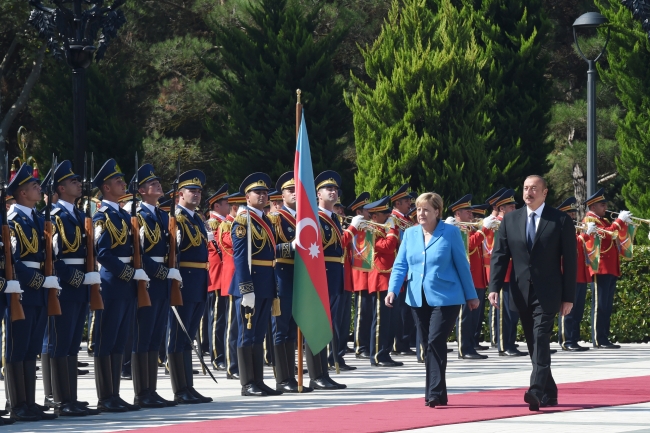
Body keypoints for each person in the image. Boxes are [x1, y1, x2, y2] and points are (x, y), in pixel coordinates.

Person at [489, 175, 577, 411]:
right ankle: (550, 390)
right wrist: (494, 287)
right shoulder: (510, 219)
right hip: (520, 291)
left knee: (539, 337)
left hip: (549, 293)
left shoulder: (559, 220)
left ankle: (536, 391)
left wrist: (569, 297)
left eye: (534, 189)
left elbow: (570, 260)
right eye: (526, 188)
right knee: (532, 343)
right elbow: (500, 255)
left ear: (544, 192)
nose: (528, 192)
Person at [386, 192, 478, 408]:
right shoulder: (409, 235)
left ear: (437, 211)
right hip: (417, 296)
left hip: (447, 297)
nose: (421, 214)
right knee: (428, 344)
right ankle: (438, 391)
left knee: (435, 341)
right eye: (418, 209)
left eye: (426, 209)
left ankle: (434, 392)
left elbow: (462, 265)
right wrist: (393, 290)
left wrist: (471, 295)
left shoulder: (451, 233)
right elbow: (400, 265)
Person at [92, 159, 150, 412]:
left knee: (120, 340)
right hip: (113, 282)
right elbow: (102, 252)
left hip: (126, 282)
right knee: (107, 339)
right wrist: (128, 273)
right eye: (117, 181)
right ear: (106, 187)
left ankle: (114, 393)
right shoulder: (102, 215)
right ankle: (105, 396)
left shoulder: (124, 215)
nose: (123, 184)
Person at [44, 161, 101, 416]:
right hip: (66, 284)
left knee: (72, 344)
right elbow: (52, 257)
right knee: (60, 341)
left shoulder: (79, 215)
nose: (79, 185)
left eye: (79, 181)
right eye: (74, 182)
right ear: (61, 188)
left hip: (81, 283)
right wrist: (77, 278)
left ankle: (71, 397)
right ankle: (59, 398)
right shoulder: (55, 216)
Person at [5, 163, 58, 422]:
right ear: (22, 193)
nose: (40, 189)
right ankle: (17, 403)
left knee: (31, 347)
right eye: (35, 187)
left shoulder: (38, 219)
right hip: (23, 288)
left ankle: (30, 401)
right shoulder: (13, 220)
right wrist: (39, 280)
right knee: (17, 347)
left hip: (38, 288)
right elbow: (13, 259)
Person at [131, 164, 182, 408]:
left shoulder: (163, 216)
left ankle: (151, 389)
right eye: (152, 184)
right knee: (143, 337)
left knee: (155, 338)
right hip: (149, 281)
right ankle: (141, 391)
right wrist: (162, 271)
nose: (158, 185)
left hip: (163, 283)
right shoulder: (137, 216)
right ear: (141, 191)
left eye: (158, 182)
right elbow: (137, 252)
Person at [167, 169, 212, 404]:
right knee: (177, 337)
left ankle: (188, 386)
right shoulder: (176, 218)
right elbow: (173, 253)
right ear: (179, 195)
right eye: (191, 191)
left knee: (188, 338)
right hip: (183, 282)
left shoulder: (196, 219)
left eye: (198, 191)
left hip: (198, 282)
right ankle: (179, 388)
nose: (196, 195)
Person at [269, 171, 313, 392]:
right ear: (281, 195)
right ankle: (282, 378)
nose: (296, 193)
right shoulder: (275, 218)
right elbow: (268, 250)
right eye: (290, 190)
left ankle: (292, 377)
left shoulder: (305, 219)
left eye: (298, 190)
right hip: (282, 277)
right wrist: (290, 246)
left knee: (294, 328)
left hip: (300, 278)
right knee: (281, 328)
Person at [582, 188, 632, 349]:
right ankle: (598, 339)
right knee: (600, 305)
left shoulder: (603, 220)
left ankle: (604, 337)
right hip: (600, 267)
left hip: (610, 267)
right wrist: (619, 222)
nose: (605, 208)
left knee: (607, 305)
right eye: (602, 205)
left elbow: (614, 234)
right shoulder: (590, 220)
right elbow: (606, 235)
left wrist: (624, 225)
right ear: (593, 206)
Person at [445, 194, 491, 360]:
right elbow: (469, 246)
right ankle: (464, 349)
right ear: (458, 213)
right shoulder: (457, 228)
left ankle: (471, 345)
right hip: (467, 278)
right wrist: (483, 230)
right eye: (467, 211)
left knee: (474, 316)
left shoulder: (469, 227)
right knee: (465, 315)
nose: (471, 215)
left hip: (476, 277)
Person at [489, 189, 526, 357]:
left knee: (514, 310)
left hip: (516, 272)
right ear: (502, 209)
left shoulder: (511, 223)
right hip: (504, 274)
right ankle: (504, 345)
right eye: (510, 207)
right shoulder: (495, 224)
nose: (514, 209)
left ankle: (510, 341)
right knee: (505, 313)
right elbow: (494, 251)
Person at [557, 197, 597, 351]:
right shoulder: (559, 229)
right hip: (568, 276)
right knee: (567, 310)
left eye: (573, 214)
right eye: (569, 214)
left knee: (578, 310)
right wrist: (583, 235)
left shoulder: (572, 231)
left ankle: (573, 338)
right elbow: (569, 246)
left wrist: (585, 235)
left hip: (580, 275)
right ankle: (566, 340)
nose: (573, 217)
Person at [389, 184, 417, 357]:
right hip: (399, 268)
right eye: (406, 201)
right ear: (397, 203)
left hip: (411, 269)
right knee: (398, 311)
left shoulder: (408, 220)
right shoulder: (393, 220)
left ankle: (405, 341)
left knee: (407, 310)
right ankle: (397, 342)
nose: (410, 203)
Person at [205, 184, 230, 371]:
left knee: (223, 318)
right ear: (216, 206)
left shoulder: (223, 223)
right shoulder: (212, 224)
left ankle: (222, 354)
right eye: (226, 202)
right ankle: (217, 356)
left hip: (224, 276)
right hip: (217, 276)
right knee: (218, 319)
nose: (229, 205)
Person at [348, 192, 372, 359]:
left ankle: (367, 345)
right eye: (366, 211)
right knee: (362, 313)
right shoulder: (356, 229)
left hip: (370, 275)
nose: (370, 214)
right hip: (360, 275)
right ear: (359, 213)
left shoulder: (368, 228)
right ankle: (360, 346)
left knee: (369, 313)